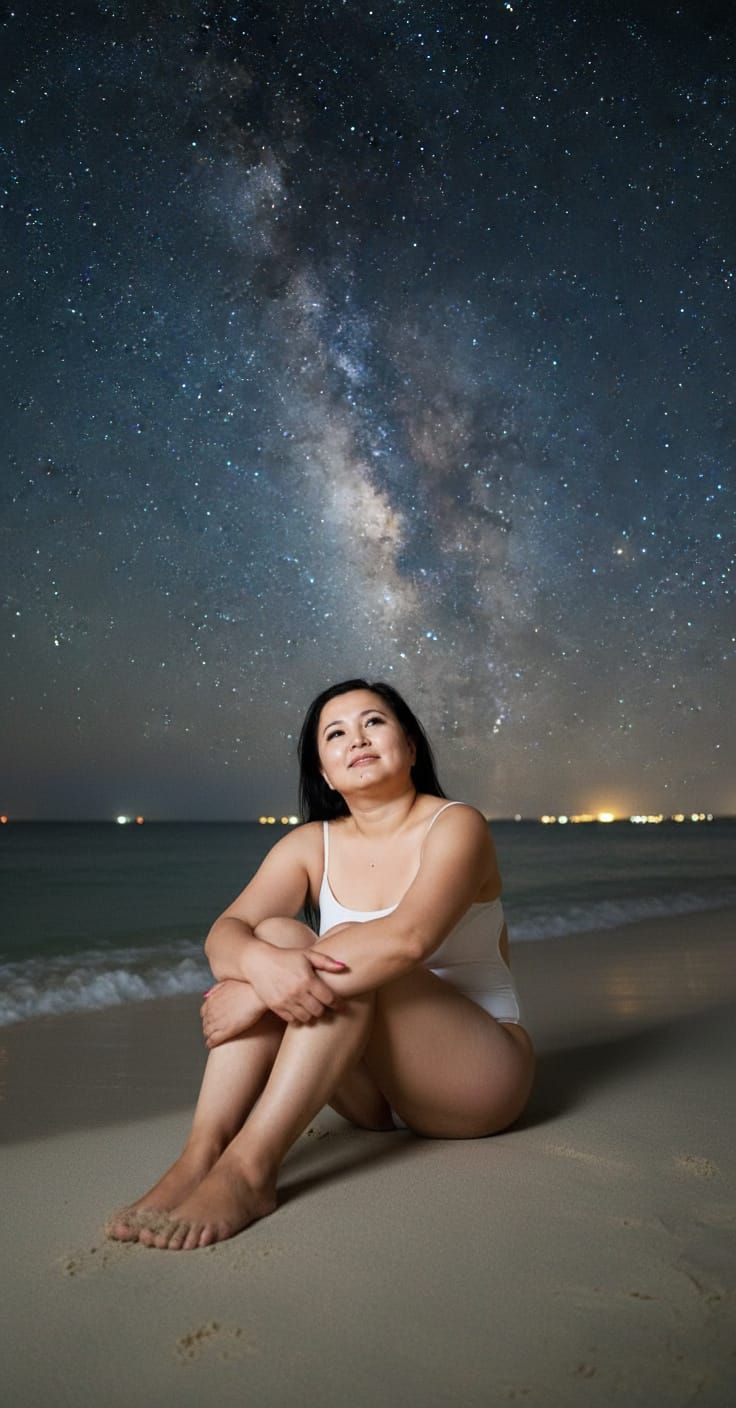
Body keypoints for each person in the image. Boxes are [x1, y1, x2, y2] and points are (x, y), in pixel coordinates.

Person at [107, 678, 535, 1251]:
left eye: (374, 723)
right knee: (275, 933)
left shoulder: (457, 824)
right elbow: (223, 937)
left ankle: (249, 1171)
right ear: (326, 772)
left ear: (409, 745)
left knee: (341, 947)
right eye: (336, 733)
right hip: (372, 1096)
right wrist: (264, 963)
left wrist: (263, 989)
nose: (356, 738)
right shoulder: (311, 844)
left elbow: (406, 941)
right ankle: (201, 1153)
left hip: (476, 1076)